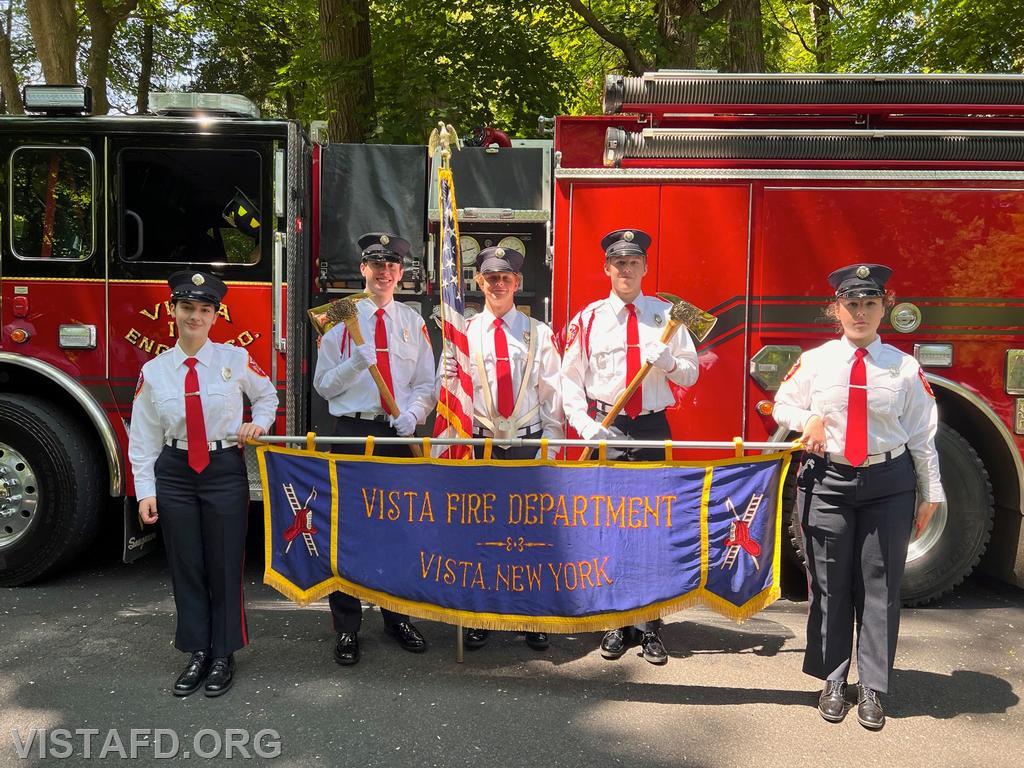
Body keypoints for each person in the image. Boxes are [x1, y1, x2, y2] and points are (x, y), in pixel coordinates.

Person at [773, 263, 943, 730]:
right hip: (828, 482)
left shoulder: (904, 367)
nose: (861, 312)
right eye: (852, 304)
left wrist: (932, 492)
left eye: (870, 303)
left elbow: (924, 435)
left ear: (884, 308)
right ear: (837, 309)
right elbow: (782, 402)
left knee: (879, 587)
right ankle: (832, 678)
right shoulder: (817, 360)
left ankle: (871, 684)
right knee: (828, 584)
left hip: (888, 485)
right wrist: (806, 417)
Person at [128, 270, 278, 697]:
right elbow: (143, 438)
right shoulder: (154, 371)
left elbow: (267, 396)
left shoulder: (234, 360)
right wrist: (146, 491)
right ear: (173, 312)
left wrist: (258, 423)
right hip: (174, 471)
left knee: (226, 564)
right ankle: (197, 651)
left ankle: (224, 654)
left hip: (222, 467)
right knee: (187, 564)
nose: (195, 316)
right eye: (187, 308)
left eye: (204, 310)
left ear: (216, 316)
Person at [560, 228, 699, 665]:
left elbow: (691, 375)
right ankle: (617, 623)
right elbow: (568, 380)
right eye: (618, 263)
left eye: (633, 262)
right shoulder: (588, 320)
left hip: (653, 429)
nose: (626, 269)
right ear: (607, 269)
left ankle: (651, 625)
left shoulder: (667, 317)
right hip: (608, 425)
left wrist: (670, 362)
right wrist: (585, 425)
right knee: (611, 526)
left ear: (644, 268)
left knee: (654, 529)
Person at [313, 232, 436, 666]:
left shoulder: (412, 321)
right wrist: (353, 363)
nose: (384, 272)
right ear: (362, 269)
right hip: (350, 430)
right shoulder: (336, 317)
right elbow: (323, 387)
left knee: (398, 528)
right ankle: (346, 628)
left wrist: (415, 414)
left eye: (392, 266)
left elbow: (426, 383)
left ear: (401, 274)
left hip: (395, 435)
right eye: (376, 265)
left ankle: (397, 616)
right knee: (347, 530)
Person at [449, 245, 564, 652]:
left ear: (517, 283)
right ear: (479, 282)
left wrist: (550, 450)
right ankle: (482, 616)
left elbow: (553, 396)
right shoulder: (462, 334)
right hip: (479, 445)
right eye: (491, 277)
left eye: (506, 278)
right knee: (481, 537)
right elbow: (447, 397)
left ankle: (531, 615)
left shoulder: (539, 334)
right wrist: (448, 378)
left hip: (527, 444)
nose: (498, 284)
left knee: (531, 537)